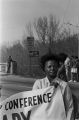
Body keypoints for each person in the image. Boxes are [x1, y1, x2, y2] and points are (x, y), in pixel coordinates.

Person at [32, 53, 74, 120]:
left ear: (58, 67)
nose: (52, 68)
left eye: (55, 66)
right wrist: (49, 89)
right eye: (49, 66)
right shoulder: (38, 84)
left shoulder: (64, 85)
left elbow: (69, 107)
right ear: (44, 68)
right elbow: (33, 105)